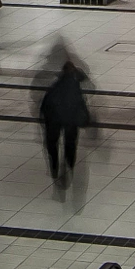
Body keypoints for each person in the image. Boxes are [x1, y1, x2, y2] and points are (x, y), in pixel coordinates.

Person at [40, 56, 92, 192]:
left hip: (54, 121)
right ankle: (69, 166)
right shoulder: (75, 87)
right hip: (70, 121)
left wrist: (44, 121)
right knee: (70, 144)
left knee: (52, 145)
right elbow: (81, 104)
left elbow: (45, 106)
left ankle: (55, 169)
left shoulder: (55, 86)